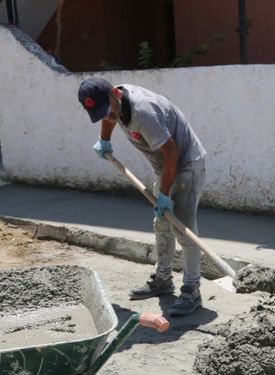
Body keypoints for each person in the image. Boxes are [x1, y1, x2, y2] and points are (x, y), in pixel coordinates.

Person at [78, 77, 207, 317]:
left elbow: (172, 152)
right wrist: (104, 140)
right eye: (100, 114)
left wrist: (165, 195)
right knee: (162, 225)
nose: (107, 117)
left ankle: (192, 290)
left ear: (115, 93)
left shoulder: (143, 111)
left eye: (107, 111)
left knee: (184, 229)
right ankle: (163, 280)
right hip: (165, 166)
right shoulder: (115, 104)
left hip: (186, 163)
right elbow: (110, 118)